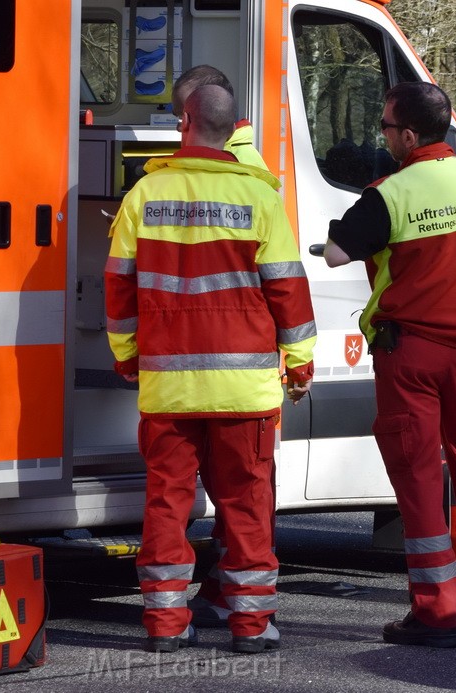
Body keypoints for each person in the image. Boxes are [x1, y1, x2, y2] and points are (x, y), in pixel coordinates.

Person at [322, 81, 456, 647]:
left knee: (419, 479)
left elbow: (342, 251)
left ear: (409, 135)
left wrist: (335, 240)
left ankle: (436, 615)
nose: (383, 136)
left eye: (388, 128)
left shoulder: (390, 192)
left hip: (409, 351)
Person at [105, 84, 316, 654]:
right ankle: (251, 626)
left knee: (166, 505)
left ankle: (165, 626)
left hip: (169, 385)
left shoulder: (146, 193)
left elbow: (119, 285)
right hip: (243, 388)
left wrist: (127, 355)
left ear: (186, 121)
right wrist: (299, 365)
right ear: (233, 129)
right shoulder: (261, 197)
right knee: (246, 506)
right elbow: (288, 290)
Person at [170, 64, 276, 629]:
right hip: (243, 371)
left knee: (230, 497)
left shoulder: (239, 177)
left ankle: (218, 597)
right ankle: (242, 609)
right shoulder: (255, 174)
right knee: (245, 494)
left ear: (191, 116)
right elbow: (283, 282)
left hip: (193, 371)